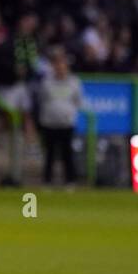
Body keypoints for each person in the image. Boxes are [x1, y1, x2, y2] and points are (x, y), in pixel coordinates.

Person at [38, 49, 83, 186]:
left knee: (67, 154)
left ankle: (70, 181)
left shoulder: (74, 82)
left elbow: (78, 101)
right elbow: (42, 100)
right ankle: (47, 181)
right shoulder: (47, 82)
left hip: (66, 123)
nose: (60, 67)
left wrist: (69, 114)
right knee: (50, 154)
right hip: (49, 123)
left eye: (62, 64)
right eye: (57, 64)